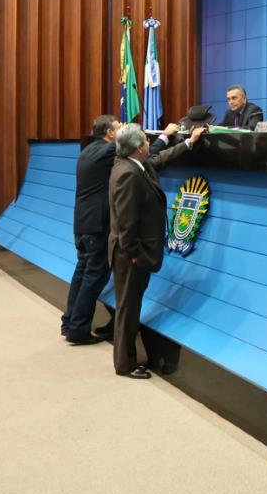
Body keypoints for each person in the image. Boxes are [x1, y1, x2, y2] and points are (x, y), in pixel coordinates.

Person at [62, 117, 180, 343]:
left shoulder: (87, 150)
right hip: (98, 226)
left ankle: (69, 322)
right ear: (109, 134)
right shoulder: (110, 152)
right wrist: (165, 136)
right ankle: (77, 329)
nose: (122, 129)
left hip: (82, 223)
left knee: (82, 274)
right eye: (119, 128)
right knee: (93, 278)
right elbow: (144, 153)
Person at [109, 123, 206, 379]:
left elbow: (160, 159)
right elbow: (126, 223)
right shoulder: (129, 174)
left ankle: (126, 358)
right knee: (128, 309)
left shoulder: (133, 165)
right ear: (138, 148)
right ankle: (125, 364)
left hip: (133, 253)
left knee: (130, 306)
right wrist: (135, 255)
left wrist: (189, 142)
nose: (148, 144)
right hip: (130, 255)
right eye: (145, 141)